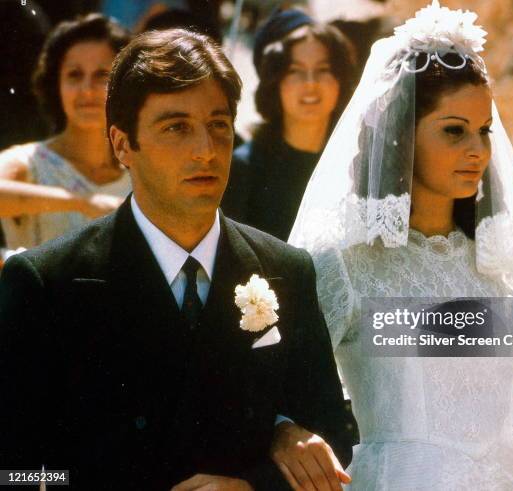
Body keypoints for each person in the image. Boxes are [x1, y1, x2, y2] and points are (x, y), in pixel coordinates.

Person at [0, 29, 352, 490]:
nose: (206, 149)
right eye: (176, 127)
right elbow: (16, 472)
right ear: (123, 144)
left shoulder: (285, 269)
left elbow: (334, 438)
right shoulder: (46, 281)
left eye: (218, 125)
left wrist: (255, 484)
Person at [289, 1, 513, 489]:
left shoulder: (493, 263)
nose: (478, 150)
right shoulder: (346, 265)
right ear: (399, 136)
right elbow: (279, 384)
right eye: (453, 131)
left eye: (483, 131)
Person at [221, 8, 356, 241]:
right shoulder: (244, 167)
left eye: (323, 70)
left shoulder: (357, 161)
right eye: (295, 71)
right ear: (274, 83)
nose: (310, 84)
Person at [0, 13, 131, 251]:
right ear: (55, 84)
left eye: (101, 76)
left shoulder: (139, 173)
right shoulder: (31, 164)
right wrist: (82, 203)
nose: (87, 90)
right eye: (74, 75)